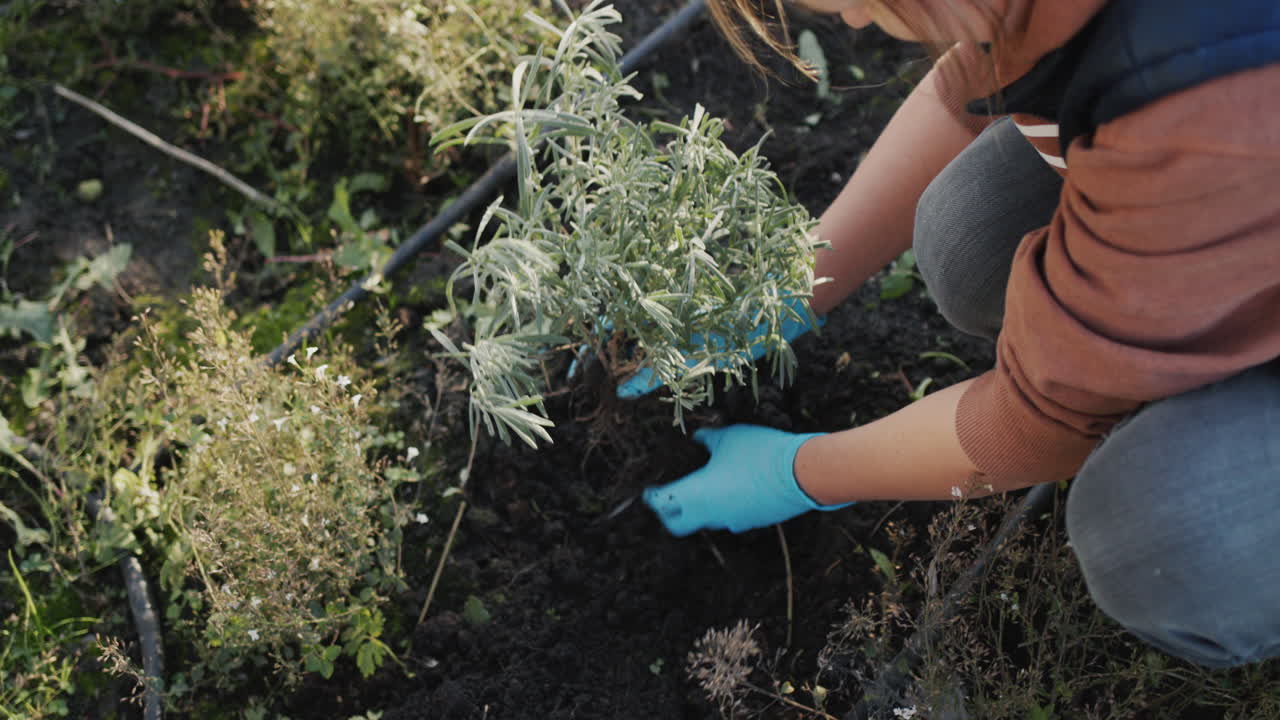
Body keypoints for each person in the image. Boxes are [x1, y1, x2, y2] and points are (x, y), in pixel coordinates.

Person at [638, 0, 1280, 669]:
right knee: (969, 239)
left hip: (1224, 145)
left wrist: (797, 473)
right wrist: (792, 288)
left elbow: (1035, 426)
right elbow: (965, 88)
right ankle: (1182, 331)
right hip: (1222, 176)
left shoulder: (1197, 103)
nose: (851, 22)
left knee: (1166, 535)